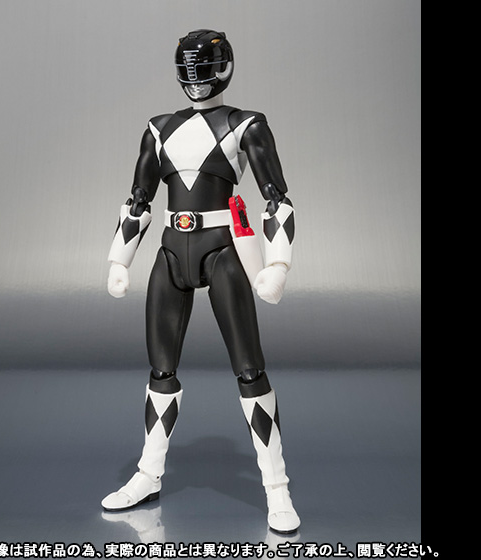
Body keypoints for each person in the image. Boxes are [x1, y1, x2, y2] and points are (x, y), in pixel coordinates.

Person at [101, 29, 300, 534]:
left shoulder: (245, 124)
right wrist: (119, 259)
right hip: (171, 252)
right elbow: (139, 199)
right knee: (160, 370)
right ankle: (148, 473)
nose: (195, 80)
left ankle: (276, 487)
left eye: (203, 69)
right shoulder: (158, 128)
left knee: (250, 370)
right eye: (188, 71)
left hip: (223, 251)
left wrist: (277, 264)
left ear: (222, 69)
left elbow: (276, 199)